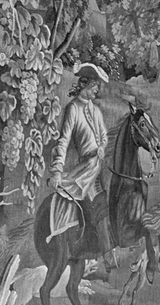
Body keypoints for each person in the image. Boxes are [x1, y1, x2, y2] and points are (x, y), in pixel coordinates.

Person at [47, 63, 118, 269]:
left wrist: (102, 147)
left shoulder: (95, 110)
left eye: (98, 86)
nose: (97, 90)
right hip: (86, 169)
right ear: (84, 84)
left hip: (100, 164)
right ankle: (106, 255)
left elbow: (103, 136)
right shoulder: (73, 109)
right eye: (94, 85)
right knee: (98, 203)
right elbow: (63, 141)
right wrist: (57, 171)